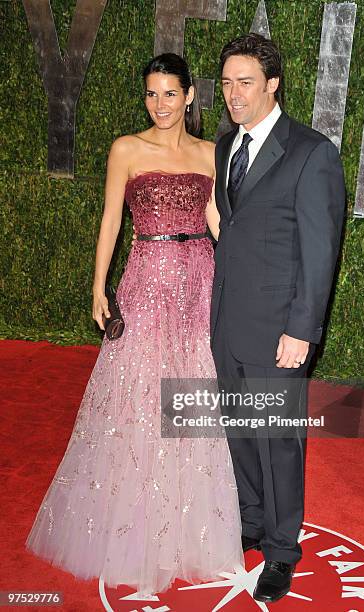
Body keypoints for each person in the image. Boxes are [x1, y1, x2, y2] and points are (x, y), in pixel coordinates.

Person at [25, 53, 243, 596]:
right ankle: (136, 521)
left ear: (190, 96)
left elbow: (219, 221)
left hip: (200, 280)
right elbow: (111, 219)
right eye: (151, 94)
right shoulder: (126, 148)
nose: (160, 104)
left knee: (193, 391)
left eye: (170, 94)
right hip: (146, 277)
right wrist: (99, 286)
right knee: (139, 391)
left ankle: (192, 526)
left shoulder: (212, 153)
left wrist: (242, 280)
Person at [210, 34, 346, 603]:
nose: (233, 95)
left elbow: (321, 254)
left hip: (278, 332)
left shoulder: (312, 153)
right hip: (229, 320)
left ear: (273, 84)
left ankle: (283, 549)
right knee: (240, 432)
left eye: (245, 83)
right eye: (225, 84)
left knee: (280, 441)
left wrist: (302, 330)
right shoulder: (225, 144)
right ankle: (252, 519)